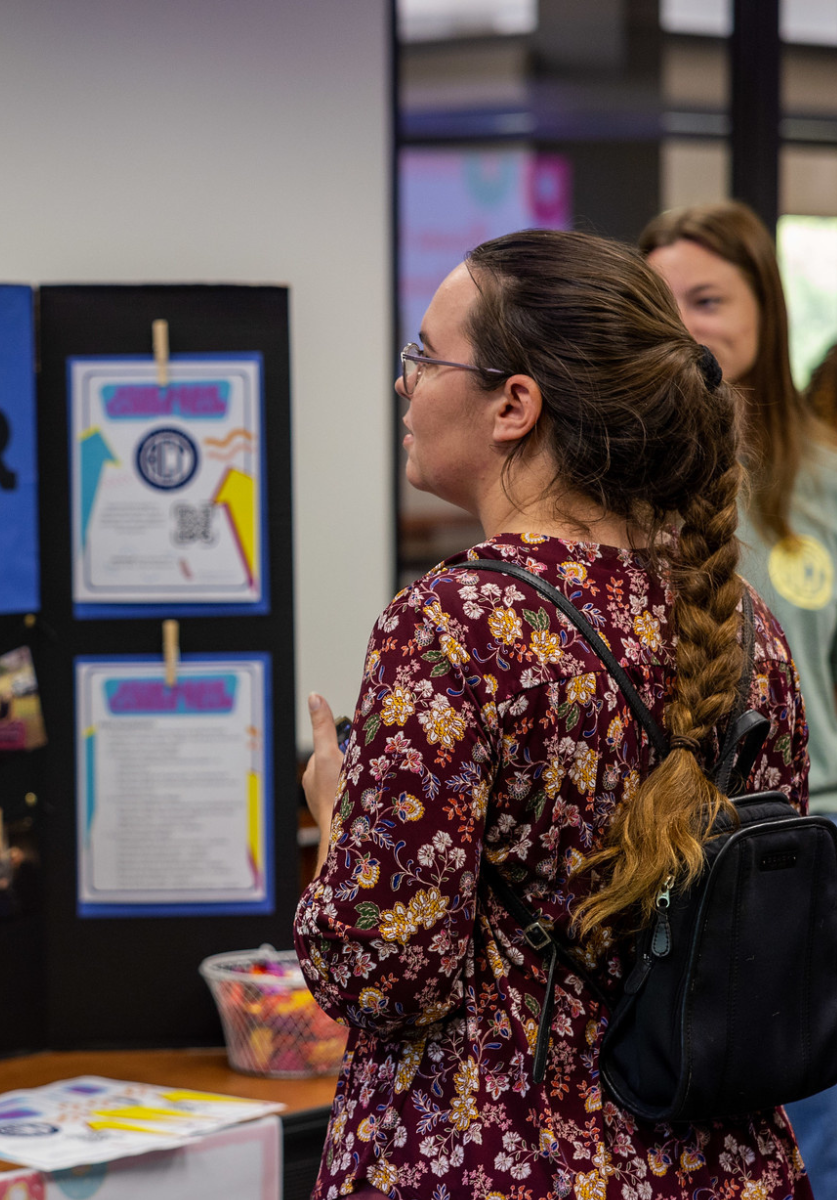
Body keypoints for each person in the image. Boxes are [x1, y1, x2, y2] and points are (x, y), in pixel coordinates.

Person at [295, 228, 812, 1199]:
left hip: (502, 1156)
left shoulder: (455, 626)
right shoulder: (747, 630)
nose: (405, 384)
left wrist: (337, 819)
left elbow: (382, 973)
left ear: (514, 404)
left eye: (424, 356)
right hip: (720, 1164)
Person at [642, 201, 837, 1195]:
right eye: (659, 300)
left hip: (817, 872)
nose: (683, 322)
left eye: (707, 299)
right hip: (677, 875)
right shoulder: (633, 493)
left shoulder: (827, 489)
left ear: (767, 308)